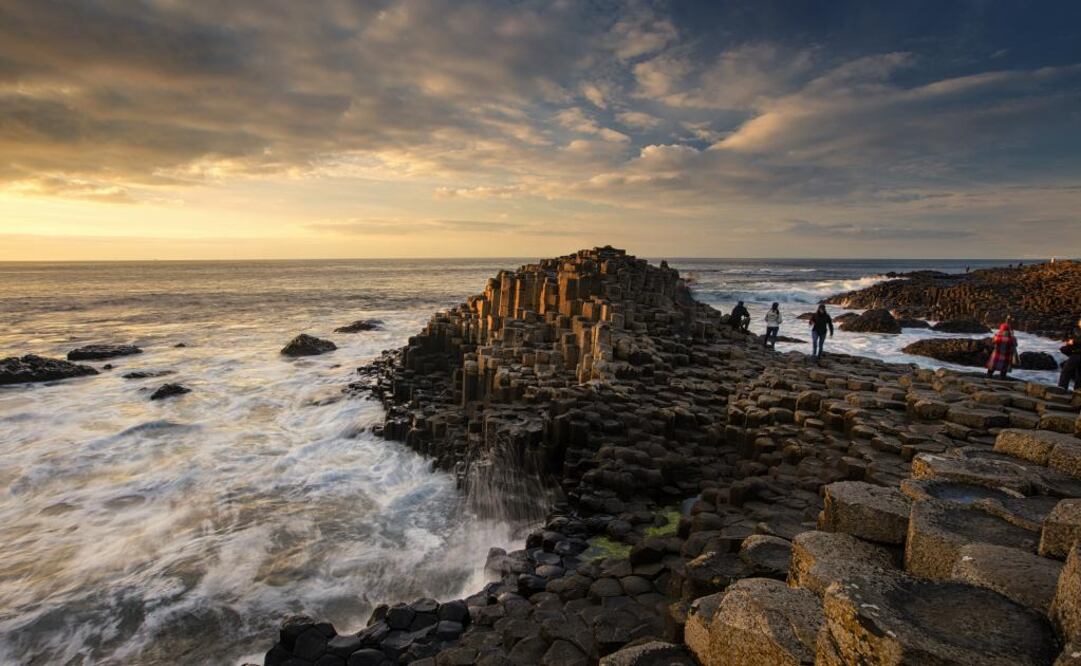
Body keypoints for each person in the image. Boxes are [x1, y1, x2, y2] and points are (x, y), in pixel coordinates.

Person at [1059, 316, 1081, 390]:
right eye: (1080, 321)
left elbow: (1076, 340)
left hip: (1077, 354)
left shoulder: (1077, 330)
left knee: (1066, 371)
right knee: (1079, 374)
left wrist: (1073, 341)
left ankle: (1061, 389)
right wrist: (1068, 341)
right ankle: (1077, 391)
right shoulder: (1075, 329)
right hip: (1075, 353)